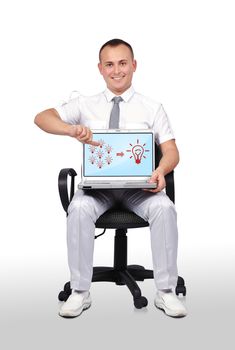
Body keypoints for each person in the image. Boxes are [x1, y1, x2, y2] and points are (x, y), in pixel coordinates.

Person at [34, 38, 187, 318]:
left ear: (134, 66)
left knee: (165, 208)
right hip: (98, 190)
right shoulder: (84, 104)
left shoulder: (152, 108)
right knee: (78, 208)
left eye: (123, 63)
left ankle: (166, 292)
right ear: (101, 69)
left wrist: (161, 170)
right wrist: (70, 130)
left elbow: (171, 151)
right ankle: (80, 291)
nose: (117, 70)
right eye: (109, 64)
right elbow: (41, 118)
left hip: (139, 190)